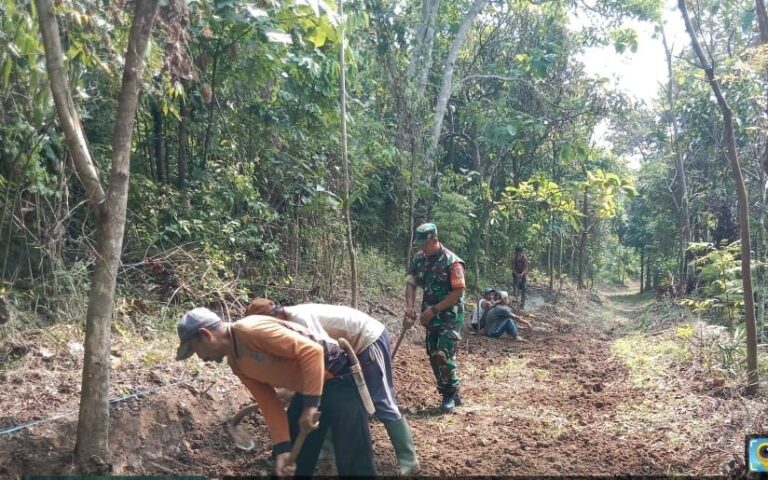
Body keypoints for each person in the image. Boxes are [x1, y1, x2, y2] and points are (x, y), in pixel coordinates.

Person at [175, 307, 377, 477]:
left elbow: (312, 352)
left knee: (354, 462)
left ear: (206, 335)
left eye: (195, 350)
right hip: (308, 390)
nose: (200, 358)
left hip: (338, 377)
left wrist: (310, 407)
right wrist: (282, 449)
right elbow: (269, 403)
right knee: (290, 465)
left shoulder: (250, 330)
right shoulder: (237, 364)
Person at [245, 298, 420, 475]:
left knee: (381, 399)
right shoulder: (284, 327)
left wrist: (296, 388)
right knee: (328, 396)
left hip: (367, 339)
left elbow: (323, 354)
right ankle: (327, 450)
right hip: (340, 353)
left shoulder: (299, 320)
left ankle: (408, 459)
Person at [405, 222, 466, 413]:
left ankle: (450, 394)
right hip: (430, 315)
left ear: (435, 240)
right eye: (420, 245)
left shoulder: (452, 262)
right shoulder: (419, 259)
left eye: (425, 244)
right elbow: (411, 282)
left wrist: (434, 310)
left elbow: (458, 291)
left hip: (450, 315)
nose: (423, 248)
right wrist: (410, 307)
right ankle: (449, 391)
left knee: (443, 352)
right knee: (432, 353)